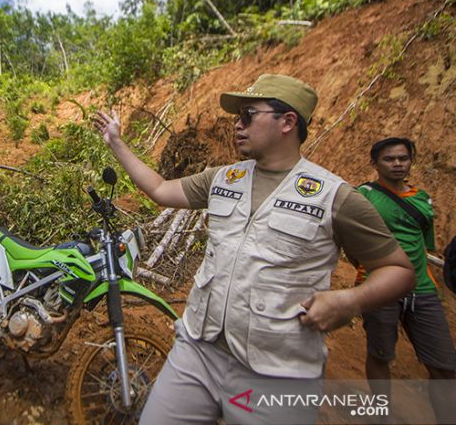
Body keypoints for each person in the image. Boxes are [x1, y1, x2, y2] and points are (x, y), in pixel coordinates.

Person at [94, 73, 416, 424]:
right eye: (238, 116)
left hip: (278, 373)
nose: (237, 124)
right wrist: (116, 143)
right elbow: (159, 189)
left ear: (287, 122)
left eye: (248, 115)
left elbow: (399, 270)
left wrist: (349, 301)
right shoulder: (223, 178)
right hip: (198, 353)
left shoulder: (333, 196)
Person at [358, 137, 456, 422]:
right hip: (378, 286)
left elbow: (425, 245)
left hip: (422, 289)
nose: (398, 164)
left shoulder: (422, 199)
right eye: (389, 159)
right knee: (380, 355)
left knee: (443, 367)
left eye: (403, 158)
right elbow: (350, 240)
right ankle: (382, 416)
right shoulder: (363, 195)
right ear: (375, 163)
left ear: (411, 161)